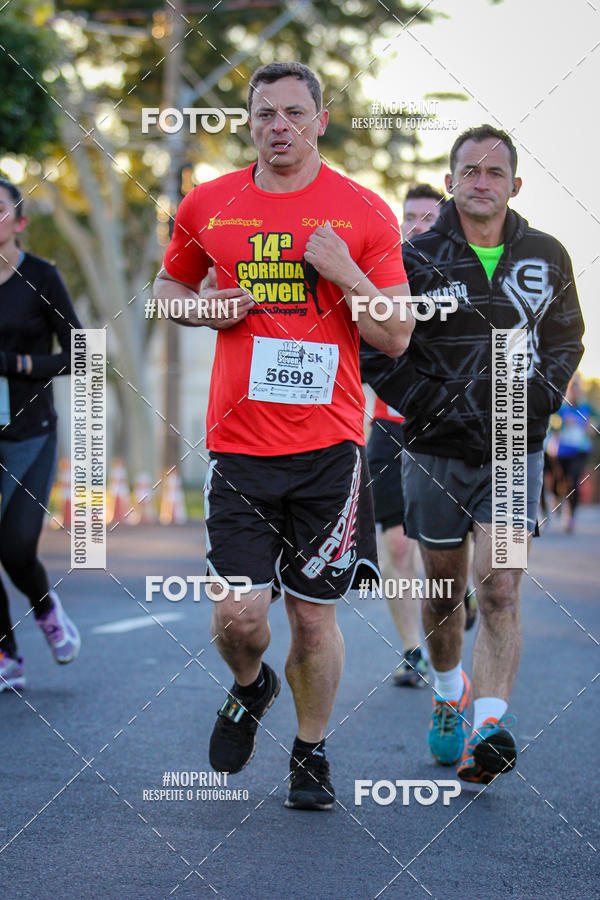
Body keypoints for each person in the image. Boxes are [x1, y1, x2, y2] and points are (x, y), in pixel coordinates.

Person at [153, 62, 413, 809]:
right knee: (240, 617)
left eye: (294, 112)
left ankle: (310, 752)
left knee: (310, 613)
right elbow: (168, 291)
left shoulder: (362, 211)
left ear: (320, 121)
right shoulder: (208, 202)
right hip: (238, 446)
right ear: (248, 122)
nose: (279, 126)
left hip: (329, 446)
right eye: (265, 113)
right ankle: (250, 683)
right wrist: (206, 310)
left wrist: (344, 271)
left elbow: (395, 337)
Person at [361, 124, 584, 783]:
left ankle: (488, 724)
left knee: (502, 586)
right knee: (440, 590)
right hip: (432, 449)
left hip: (514, 449)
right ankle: (447, 687)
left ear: (515, 185)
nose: (481, 181)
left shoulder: (547, 254)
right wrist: (430, 404)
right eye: (469, 170)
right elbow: (379, 348)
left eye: (494, 172)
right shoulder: (413, 257)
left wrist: (535, 401)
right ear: (452, 178)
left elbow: (566, 341)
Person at [366, 184, 476, 689]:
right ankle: (414, 650)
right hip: (391, 424)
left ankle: (456, 591)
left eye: (426, 217)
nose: (416, 225)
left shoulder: (461, 281)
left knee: (444, 545)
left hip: (449, 429)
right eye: (408, 216)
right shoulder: (386, 273)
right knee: (396, 543)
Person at [0, 178, 82, 692]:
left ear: (19, 222)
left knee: (15, 546)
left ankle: (46, 608)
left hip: (30, 431)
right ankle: (7, 655)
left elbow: (80, 352)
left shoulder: (41, 277)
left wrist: (18, 364)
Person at [547, 374, 596, 532]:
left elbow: (596, 419)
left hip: (580, 449)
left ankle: (570, 517)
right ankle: (557, 500)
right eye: (573, 389)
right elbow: (552, 426)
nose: (576, 392)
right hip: (561, 451)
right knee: (559, 482)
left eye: (578, 389)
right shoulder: (562, 408)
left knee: (573, 480)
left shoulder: (586, 408)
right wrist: (561, 425)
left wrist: (591, 426)